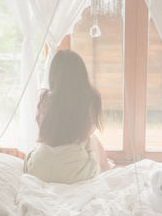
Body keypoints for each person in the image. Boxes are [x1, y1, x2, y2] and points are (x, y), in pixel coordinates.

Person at [24, 50, 111, 184]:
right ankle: (107, 168)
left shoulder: (45, 98)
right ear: (81, 73)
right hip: (74, 172)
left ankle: (106, 166)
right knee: (92, 140)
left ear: (53, 75)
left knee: (39, 151)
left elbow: (41, 130)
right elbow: (88, 133)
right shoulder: (91, 98)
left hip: (39, 170)